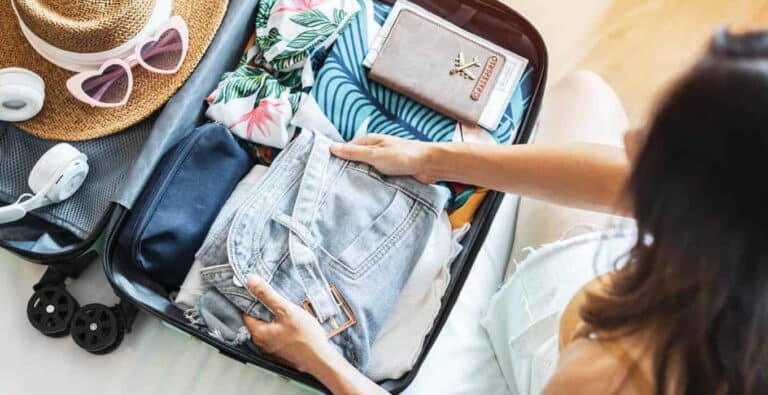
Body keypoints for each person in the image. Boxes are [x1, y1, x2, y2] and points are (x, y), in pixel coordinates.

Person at [241, 29, 768, 394]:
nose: (629, 137)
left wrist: (320, 360)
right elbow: (624, 182)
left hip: (544, 360)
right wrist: (436, 158)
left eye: (658, 147)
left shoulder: (612, 378)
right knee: (586, 92)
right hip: (594, 289)